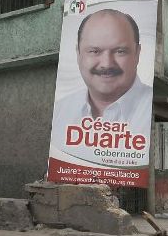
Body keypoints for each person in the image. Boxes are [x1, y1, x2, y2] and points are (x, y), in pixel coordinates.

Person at [51, 8, 153, 149]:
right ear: (78, 53)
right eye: (94, 51)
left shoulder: (154, 110)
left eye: (120, 51)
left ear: (137, 53)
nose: (106, 64)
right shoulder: (61, 111)